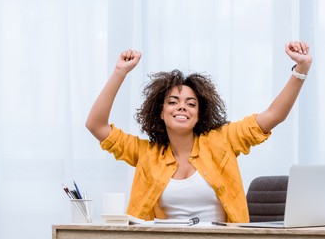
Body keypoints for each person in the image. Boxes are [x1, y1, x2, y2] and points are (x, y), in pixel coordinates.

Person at [86, 41, 312, 223]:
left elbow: (274, 115)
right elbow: (96, 125)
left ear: (199, 114)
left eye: (191, 104)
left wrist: (301, 70)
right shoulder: (146, 154)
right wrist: (120, 72)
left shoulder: (223, 140)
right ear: (160, 113)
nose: (182, 107)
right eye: (173, 102)